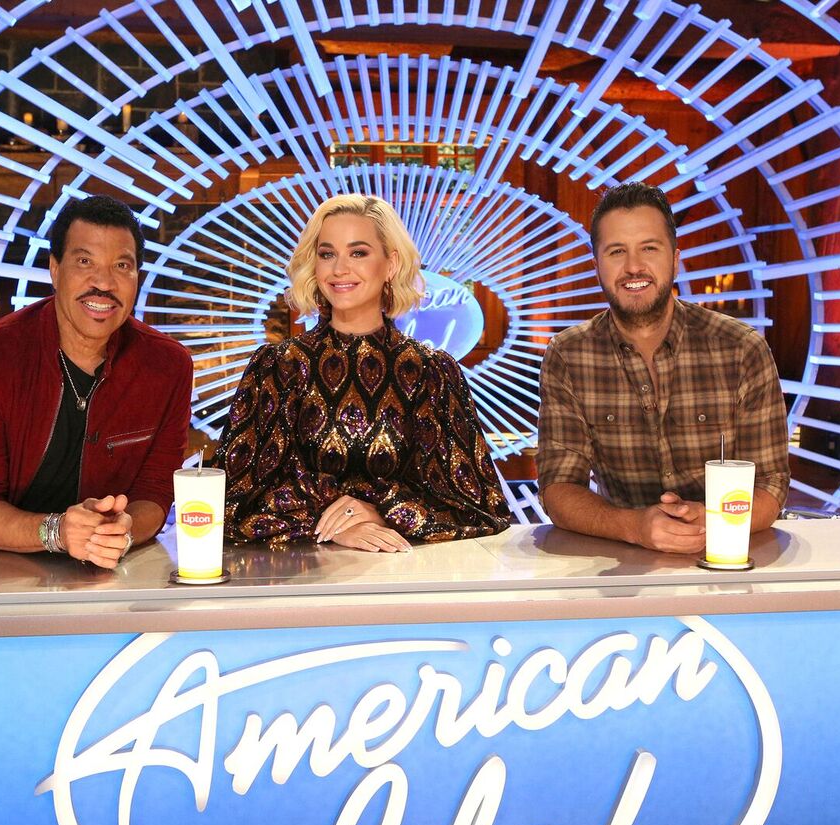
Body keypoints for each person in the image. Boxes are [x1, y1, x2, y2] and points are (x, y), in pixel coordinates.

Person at [0, 195, 191, 567]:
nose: (103, 283)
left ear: (138, 278)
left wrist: (122, 531)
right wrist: (56, 532)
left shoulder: (168, 365)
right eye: (84, 261)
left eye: (122, 266)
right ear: (55, 269)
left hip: (105, 569)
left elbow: (154, 491)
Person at [217, 194, 509, 551]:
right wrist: (331, 523)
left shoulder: (432, 372)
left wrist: (379, 510)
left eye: (358, 253)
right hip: (296, 579)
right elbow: (229, 502)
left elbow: (481, 508)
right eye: (327, 254)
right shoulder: (278, 367)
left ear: (390, 264)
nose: (340, 269)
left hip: (404, 580)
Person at [537, 182, 789, 554]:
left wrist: (714, 520)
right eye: (616, 251)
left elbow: (770, 482)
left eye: (649, 249)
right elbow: (558, 488)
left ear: (674, 258)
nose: (633, 266)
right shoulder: (568, 355)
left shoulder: (741, 348)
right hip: (622, 567)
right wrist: (635, 526)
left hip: (733, 559)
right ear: (596, 266)